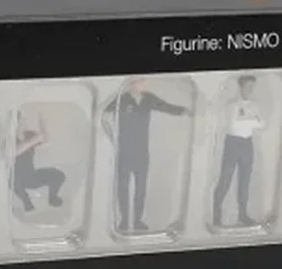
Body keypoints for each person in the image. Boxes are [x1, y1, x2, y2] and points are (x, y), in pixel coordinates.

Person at [103, 77, 191, 231]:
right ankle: (125, 220)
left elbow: (165, 106)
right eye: (135, 82)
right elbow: (102, 113)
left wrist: (183, 110)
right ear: (130, 83)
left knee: (141, 187)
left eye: (140, 82)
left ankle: (137, 220)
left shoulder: (148, 98)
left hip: (142, 150)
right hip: (125, 150)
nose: (138, 85)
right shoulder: (121, 99)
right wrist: (111, 135)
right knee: (123, 186)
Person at [212, 75, 265, 227]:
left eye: (252, 87)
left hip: (247, 143)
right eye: (248, 86)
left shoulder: (255, 105)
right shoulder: (232, 105)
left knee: (245, 180)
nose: (250, 90)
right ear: (241, 87)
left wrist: (248, 119)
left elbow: (262, 124)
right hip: (233, 143)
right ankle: (216, 215)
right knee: (225, 179)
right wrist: (252, 120)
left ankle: (243, 215)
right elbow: (234, 124)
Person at [12, 112, 65, 213]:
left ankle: (52, 198)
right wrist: (34, 140)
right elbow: (14, 152)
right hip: (17, 179)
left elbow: (45, 139)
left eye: (23, 121)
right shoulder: (10, 140)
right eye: (20, 123)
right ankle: (27, 204)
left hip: (31, 175)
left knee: (58, 175)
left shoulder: (29, 135)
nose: (24, 125)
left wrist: (42, 121)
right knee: (15, 181)